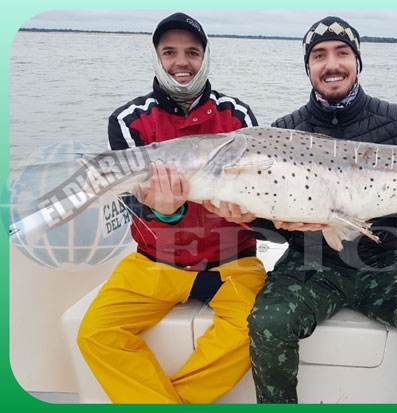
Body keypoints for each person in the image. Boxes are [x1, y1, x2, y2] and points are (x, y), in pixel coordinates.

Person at [244, 16, 397, 403]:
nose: (331, 64)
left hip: (383, 265)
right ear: (308, 67)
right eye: (319, 55)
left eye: (342, 53)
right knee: (267, 322)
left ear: (357, 61)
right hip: (309, 266)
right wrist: (253, 217)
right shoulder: (283, 131)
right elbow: (273, 225)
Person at [76, 12, 266, 403]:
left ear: (205, 57)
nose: (182, 62)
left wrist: (253, 212)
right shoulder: (129, 121)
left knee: (256, 328)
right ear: (156, 57)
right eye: (170, 52)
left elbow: (256, 191)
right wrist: (165, 211)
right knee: (96, 333)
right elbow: (130, 199)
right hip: (155, 260)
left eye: (192, 52)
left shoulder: (238, 116)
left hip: (231, 260)